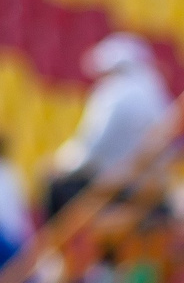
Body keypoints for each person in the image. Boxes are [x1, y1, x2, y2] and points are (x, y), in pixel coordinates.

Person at [44, 34, 171, 223]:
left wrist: (60, 165)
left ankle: (65, 248)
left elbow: (91, 146)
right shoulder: (155, 91)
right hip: (152, 181)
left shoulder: (112, 94)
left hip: (120, 184)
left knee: (57, 185)